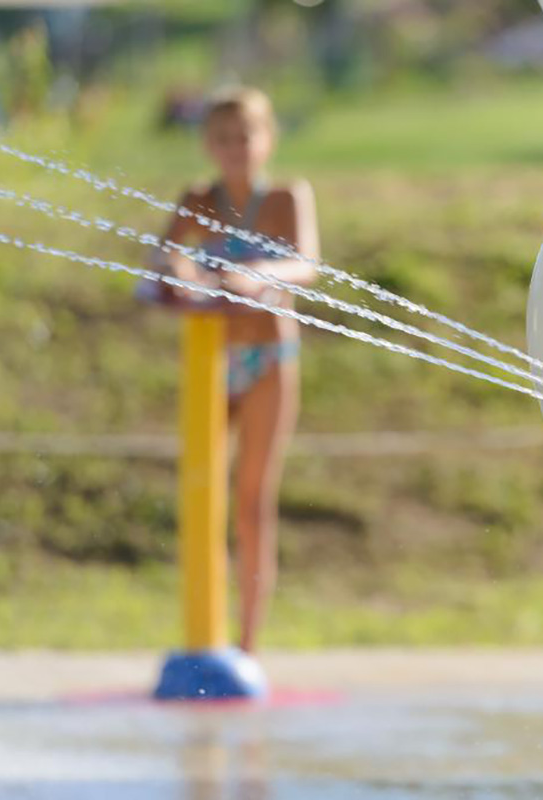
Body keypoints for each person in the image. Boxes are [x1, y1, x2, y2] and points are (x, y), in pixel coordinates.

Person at [150, 87, 319, 653]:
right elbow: (160, 256)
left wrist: (261, 276)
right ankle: (206, 637)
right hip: (211, 362)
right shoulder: (197, 197)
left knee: (252, 502)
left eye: (245, 135)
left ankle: (248, 646)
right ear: (207, 144)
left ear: (268, 138)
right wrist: (185, 276)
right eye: (223, 138)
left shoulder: (287, 197)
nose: (235, 147)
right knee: (205, 499)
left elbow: (306, 263)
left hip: (269, 358)